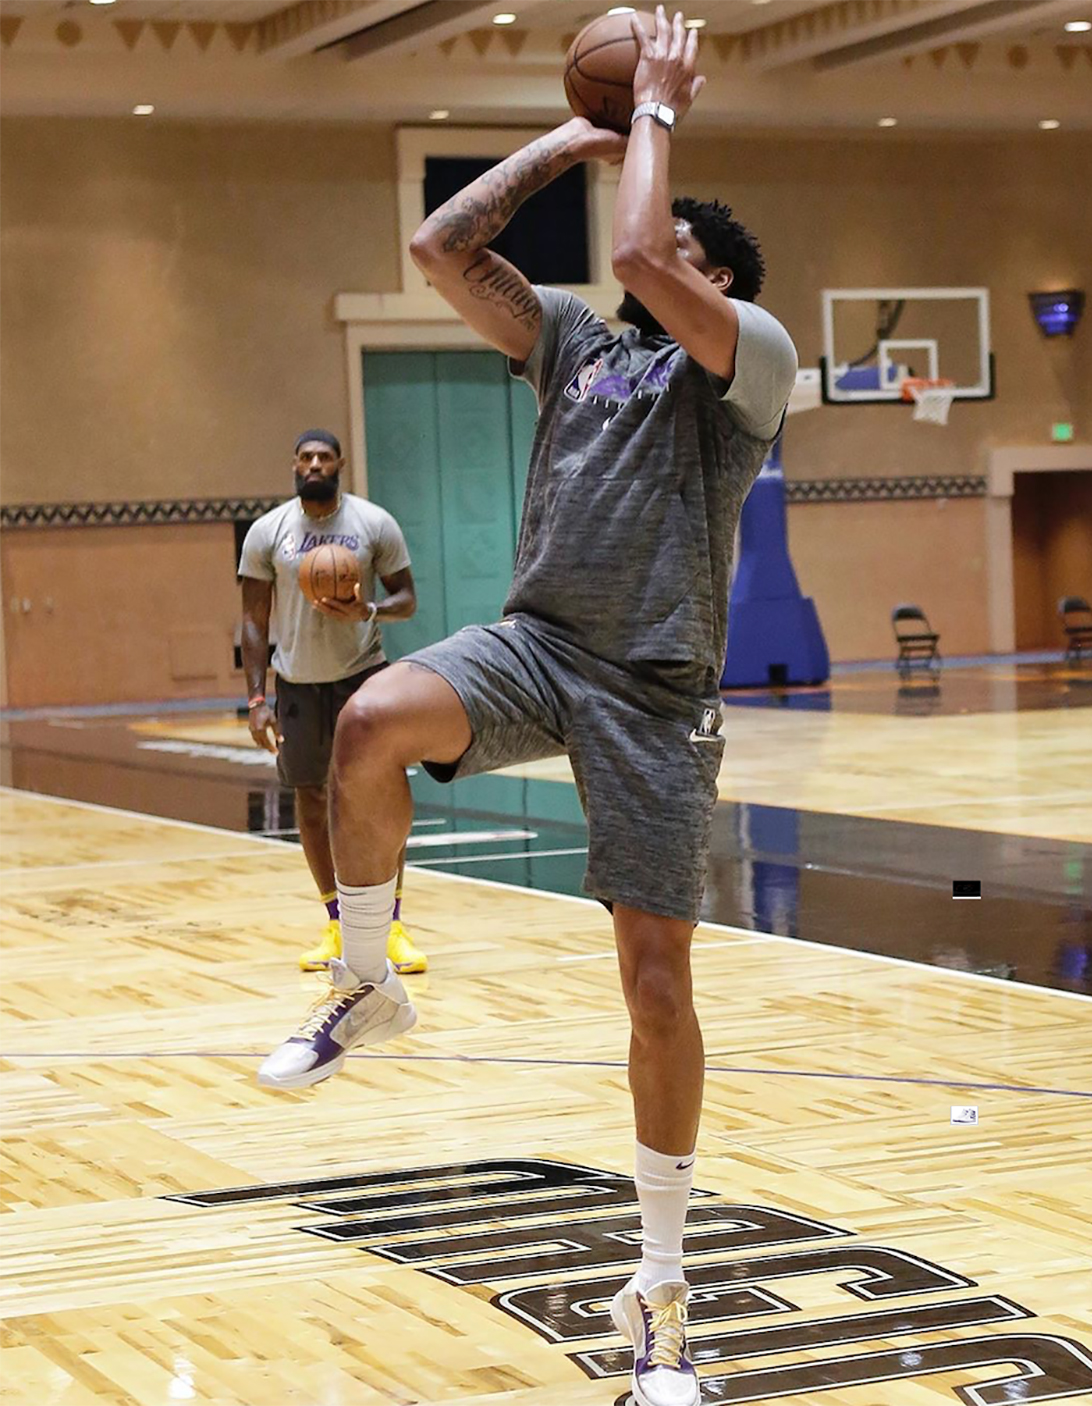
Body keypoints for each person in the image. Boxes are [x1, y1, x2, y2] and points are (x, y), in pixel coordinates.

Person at [259, 11, 796, 1404]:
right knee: (370, 721)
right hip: (539, 640)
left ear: (717, 276)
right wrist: (582, 127)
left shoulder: (753, 358)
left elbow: (635, 249)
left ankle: (662, 1302)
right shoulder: (573, 341)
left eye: (678, 239)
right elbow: (442, 249)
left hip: (656, 691)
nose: (644, 245)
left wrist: (661, 112)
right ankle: (368, 984)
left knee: (657, 985)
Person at [239, 429, 426, 976]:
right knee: (313, 799)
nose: (314, 464)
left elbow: (407, 599)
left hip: (362, 676)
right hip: (297, 683)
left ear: (340, 463)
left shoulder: (373, 523)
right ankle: (336, 923)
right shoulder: (267, 532)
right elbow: (252, 619)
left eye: (324, 457)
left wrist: (368, 610)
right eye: (305, 457)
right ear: (294, 465)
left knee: (379, 797)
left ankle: (390, 925)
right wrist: (256, 697)